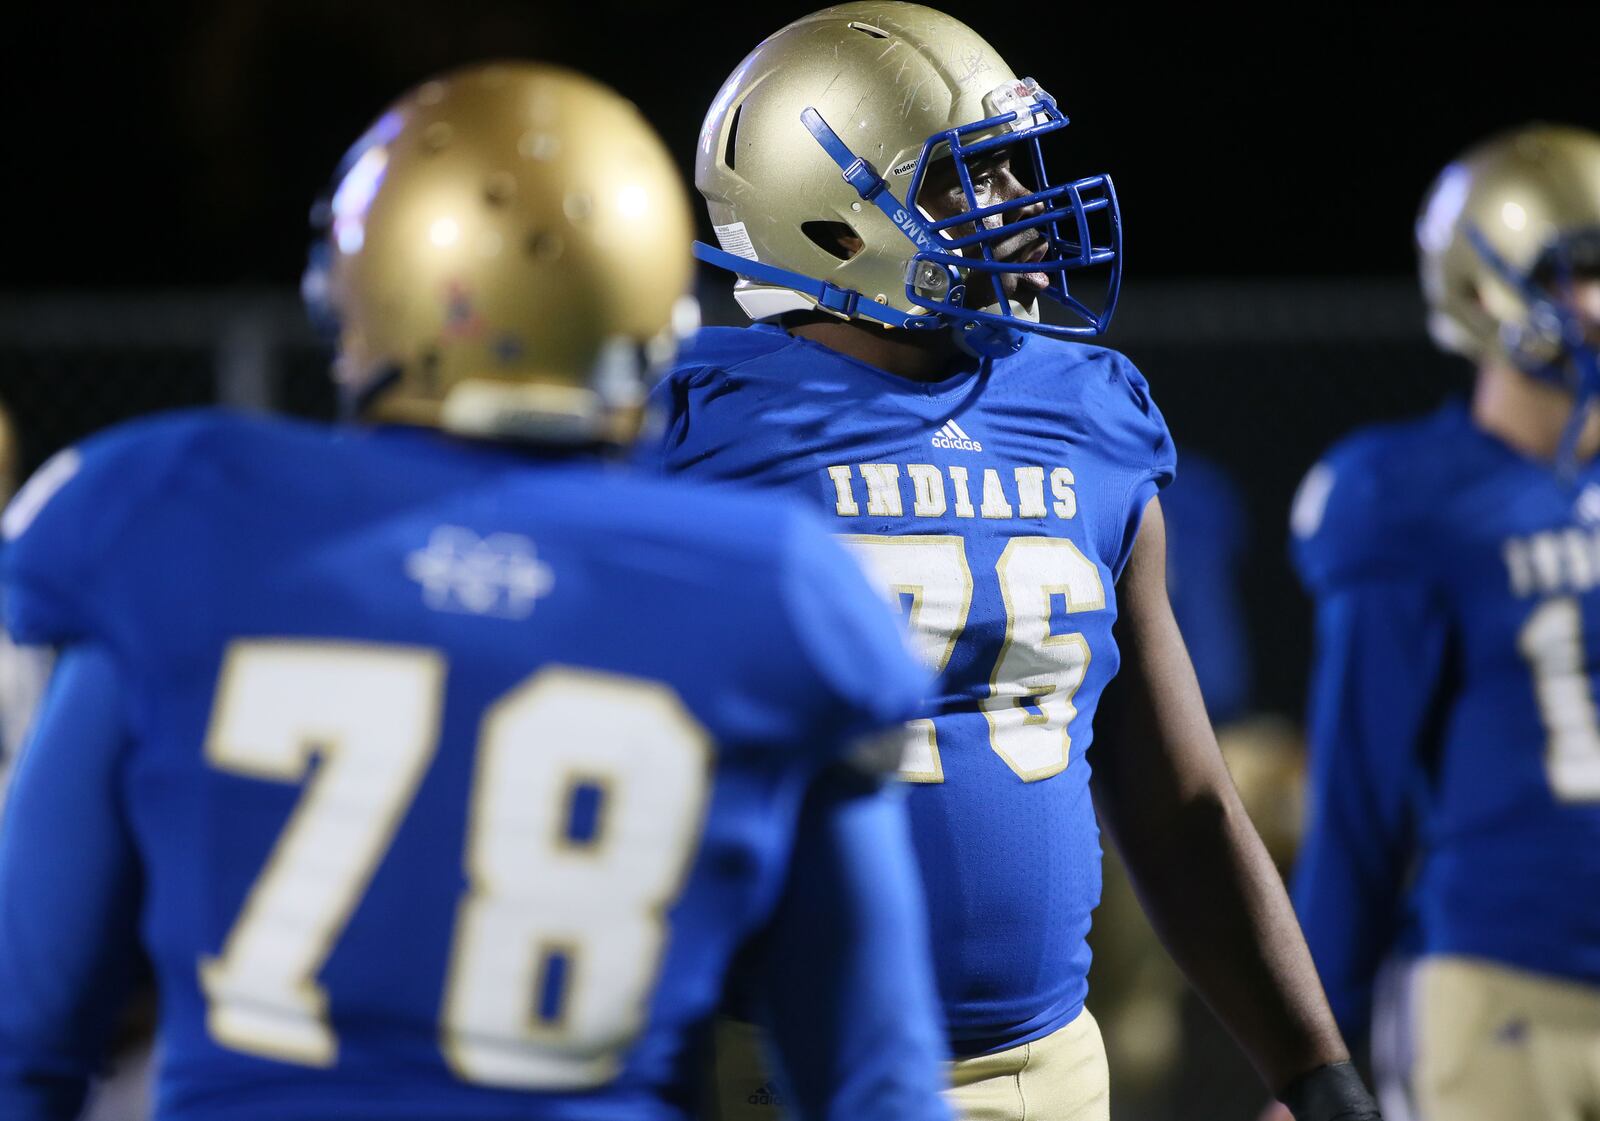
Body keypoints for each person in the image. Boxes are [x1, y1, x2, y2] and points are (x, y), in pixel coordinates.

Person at [0, 62, 953, 1121]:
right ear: (648, 308)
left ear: (361, 284)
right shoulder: (770, 586)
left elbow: (24, 1033)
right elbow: (877, 1084)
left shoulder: (176, 518)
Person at [644, 4, 1380, 1120]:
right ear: (829, 220)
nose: (1017, 211)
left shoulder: (1084, 410)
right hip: (791, 1067)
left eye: (1009, 168)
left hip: (1049, 1065)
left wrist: (1312, 1066)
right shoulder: (688, 426)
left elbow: (1177, 797)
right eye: (963, 180)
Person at [1290, 122, 1600, 1121]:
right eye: (1582, 268)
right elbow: (1357, 801)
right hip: (1506, 985)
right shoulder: (1407, 496)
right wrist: (1308, 1049)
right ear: (1482, 291)